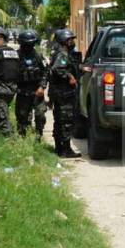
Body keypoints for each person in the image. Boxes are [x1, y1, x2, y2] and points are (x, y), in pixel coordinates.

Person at [48, 29, 81, 158]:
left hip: (59, 92)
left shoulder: (61, 53)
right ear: (65, 41)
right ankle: (65, 150)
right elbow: (58, 69)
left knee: (59, 120)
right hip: (64, 93)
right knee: (66, 120)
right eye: (70, 40)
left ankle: (59, 148)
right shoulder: (63, 54)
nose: (72, 42)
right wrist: (70, 77)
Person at [15, 29, 48, 139]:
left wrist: (42, 87)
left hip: (37, 90)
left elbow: (45, 72)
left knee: (40, 115)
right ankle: (23, 139)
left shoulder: (38, 55)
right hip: (22, 91)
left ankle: (38, 136)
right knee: (22, 117)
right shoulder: (16, 56)